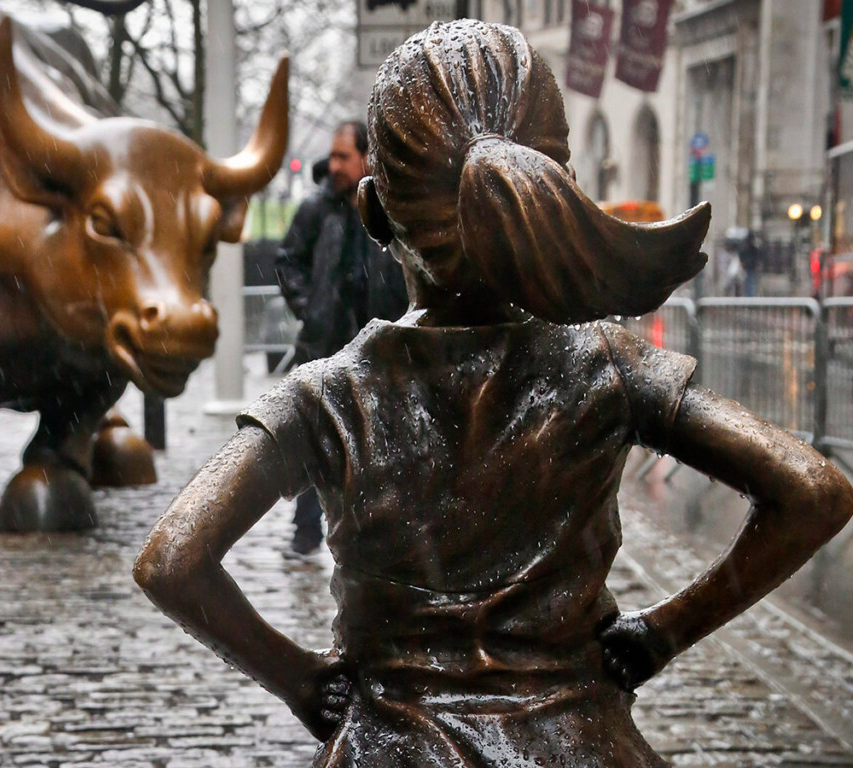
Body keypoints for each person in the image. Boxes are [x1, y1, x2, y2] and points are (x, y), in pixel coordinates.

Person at [134, 21, 853, 768]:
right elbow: (813, 490)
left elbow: (173, 560)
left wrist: (301, 680)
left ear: (375, 213)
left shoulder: (329, 395)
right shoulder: (608, 366)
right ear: (555, 192)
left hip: (392, 748)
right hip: (582, 746)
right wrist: (665, 630)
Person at [274, 120, 408, 557]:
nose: (333, 165)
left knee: (380, 446)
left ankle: (375, 540)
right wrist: (309, 308)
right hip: (324, 346)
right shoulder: (317, 210)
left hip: (379, 348)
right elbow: (288, 259)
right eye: (331, 155)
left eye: (342, 156)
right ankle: (306, 533)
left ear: (367, 157)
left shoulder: (391, 210)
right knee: (315, 443)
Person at [738, 229, 762, 296]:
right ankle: (749, 295)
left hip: (749, 266)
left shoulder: (745, 244)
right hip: (750, 266)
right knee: (750, 282)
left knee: (749, 282)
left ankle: (749, 295)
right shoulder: (750, 244)